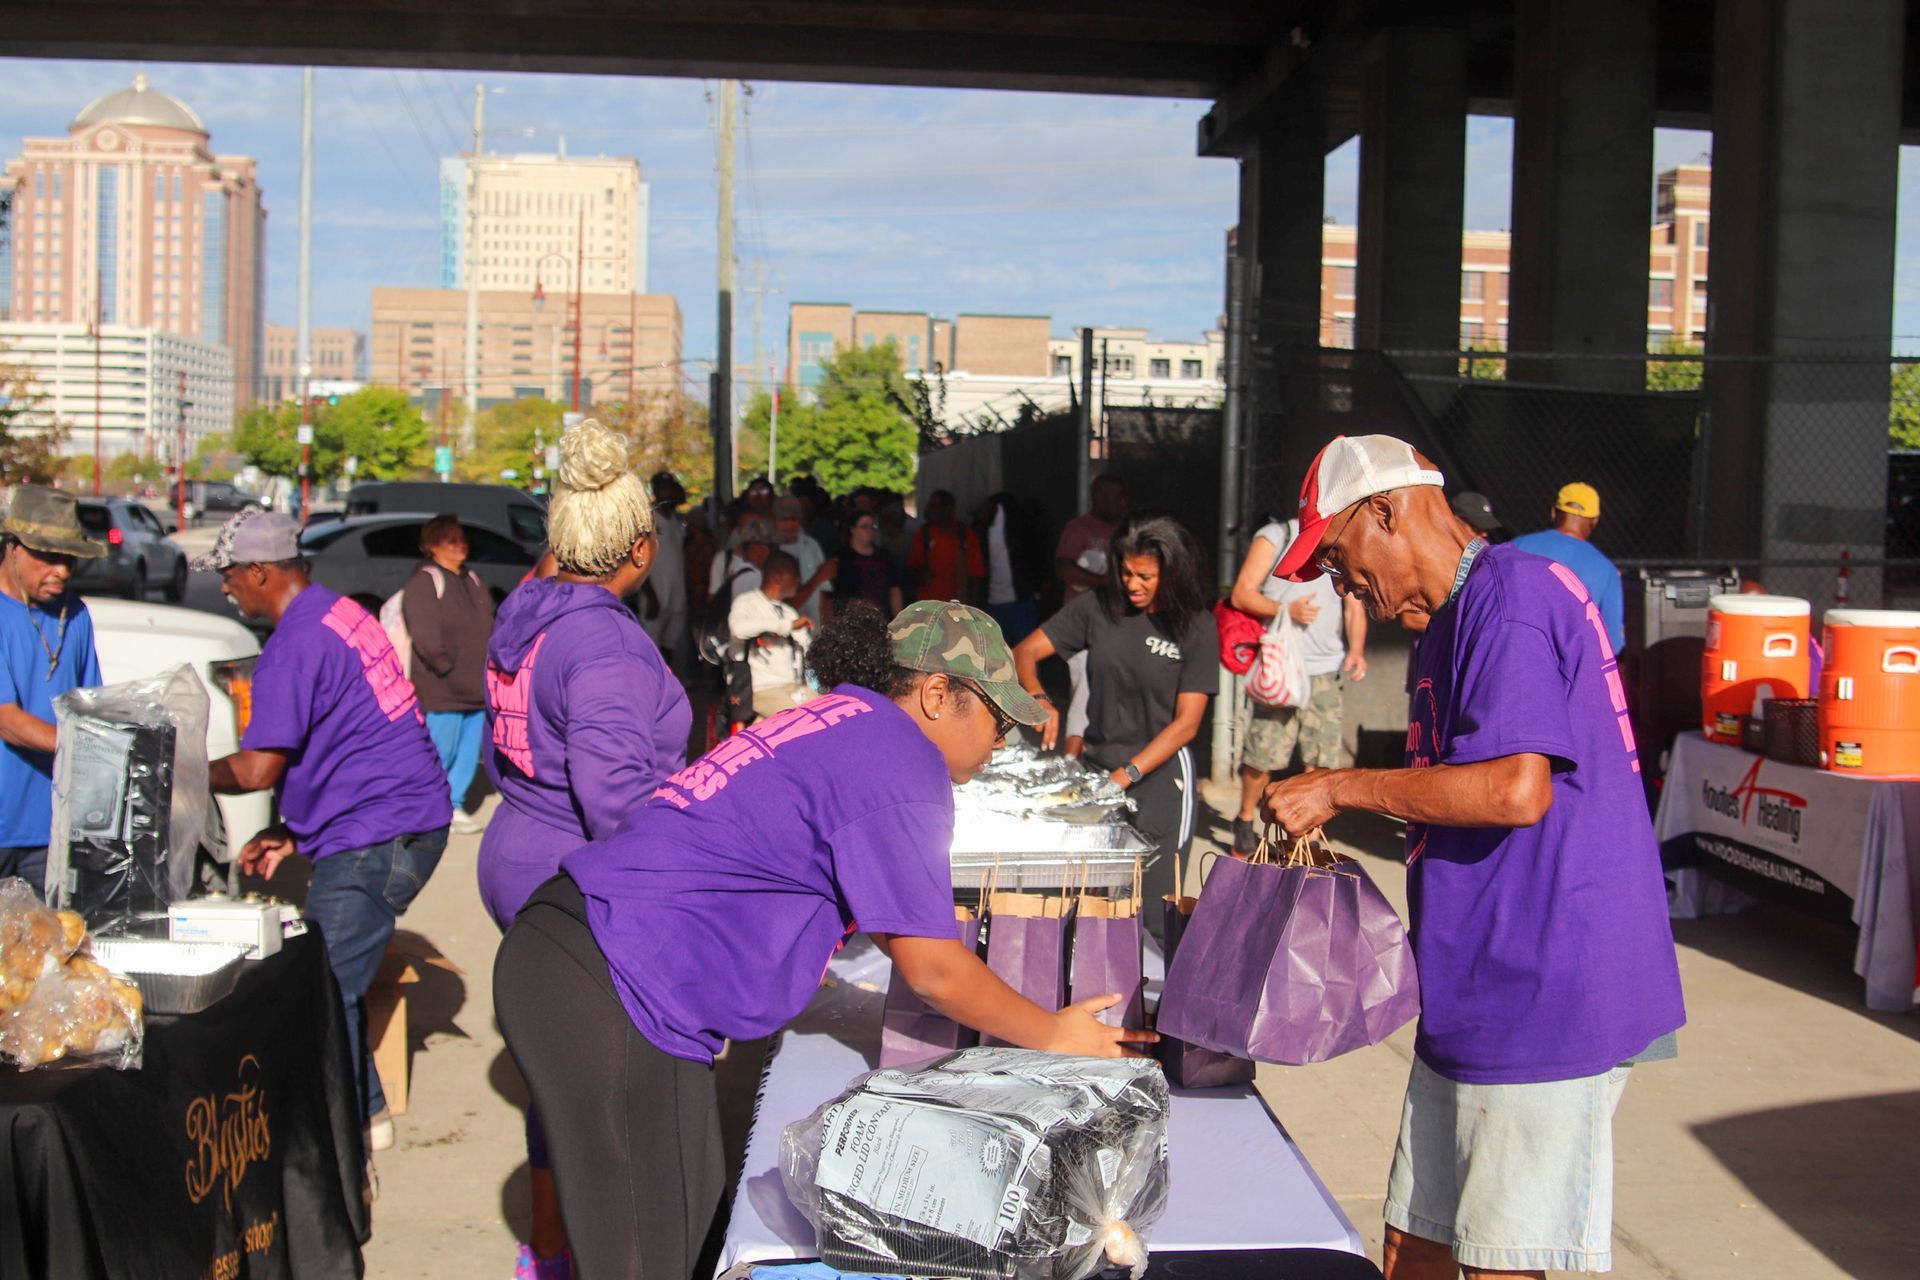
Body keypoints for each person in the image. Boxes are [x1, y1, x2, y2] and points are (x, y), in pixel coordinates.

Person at [494, 600, 1151, 1280]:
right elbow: (931, 967)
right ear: (936, 694)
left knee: (698, 1234)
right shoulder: (900, 755)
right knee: (649, 1259)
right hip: (605, 979)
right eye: (997, 716)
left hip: (590, 955)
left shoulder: (842, 718)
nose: (1001, 741)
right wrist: (1050, 1032)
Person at [1258, 434, 1685, 1280]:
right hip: (1476, 982)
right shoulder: (1451, 620)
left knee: (1501, 1259)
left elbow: (1514, 791)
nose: (1349, 591)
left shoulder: (1513, 597)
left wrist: (1343, 787)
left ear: (1384, 510)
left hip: (1543, 986)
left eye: (1341, 562)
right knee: (1415, 1244)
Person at [480, 419, 689, 1280]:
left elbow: (510, 749)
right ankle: (589, 1258)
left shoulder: (528, 606)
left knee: (558, 1081)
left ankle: (551, 1251)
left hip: (522, 850)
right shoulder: (601, 639)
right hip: (579, 876)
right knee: (603, 1096)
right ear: (638, 548)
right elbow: (616, 801)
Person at [202, 508, 450, 1155]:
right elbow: (347, 732)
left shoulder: (293, 644)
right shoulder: (339, 614)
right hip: (399, 816)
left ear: (260, 571)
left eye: (230, 576)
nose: (226, 588)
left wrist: (180, 776)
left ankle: (356, 1126)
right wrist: (294, 827)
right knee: (324, 979)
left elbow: (257, 768)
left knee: (319, 989)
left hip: (381, 832)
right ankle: (358, 1114)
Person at [1013, 513, 1217, 920]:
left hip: (1158, 778)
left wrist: (1126, 775)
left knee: (1154, 911)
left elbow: (1187, 723)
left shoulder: (1196, 626)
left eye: (1145, 576)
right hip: (1097, 769)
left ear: (1172, 573)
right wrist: (1038, 694)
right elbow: (1025, 651)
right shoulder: (1098, 608)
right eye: (1125, 573)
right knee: (1087, 903)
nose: (1132, 585)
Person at [1226, 515, 1368, 855]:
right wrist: (1285, 610)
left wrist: (1357, 650)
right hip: (1281, 667)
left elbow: (1353, 604)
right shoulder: (1277, 535)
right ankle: (1246, 818)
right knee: (1263, 754)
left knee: (1320, 756)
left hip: (1325, 669)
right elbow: (1242, 594)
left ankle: (1310, 830)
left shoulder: (1341, 537)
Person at [0, 487, 105, 893]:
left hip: (54, 830)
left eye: (69, 559)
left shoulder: (75, 615)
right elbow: (7, 721)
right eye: (48, 557)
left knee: (51, 950)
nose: (61, 571)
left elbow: (91, 707)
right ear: (13, 548)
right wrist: (89, 745)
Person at [404, 514, 497, 835]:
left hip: (475, 687)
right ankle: (425, 808)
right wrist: (446, 667)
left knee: (469, 752)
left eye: (462, 538)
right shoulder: (426, 581)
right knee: (439, 751)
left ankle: (452, 805)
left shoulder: (471, 577)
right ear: (432, 546)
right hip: (442, 689)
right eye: (450, 540)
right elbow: (426, 636)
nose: (460, 545)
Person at [1054, 474, 1127, 757]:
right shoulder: (1079, 529)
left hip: (1118, 624)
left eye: (1123, 497)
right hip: (1084, 628)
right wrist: (1108, 583)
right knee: (1084, 697)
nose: (1121, 503)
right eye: (1114, 498)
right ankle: (1070, 763)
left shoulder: (1126, 530)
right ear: (1098, 498)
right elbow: (1065, 570)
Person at [1509, 482, 1624, 653]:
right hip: (1570, 669)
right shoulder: (1606, 570)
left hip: (1515, 656)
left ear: (1554, 512)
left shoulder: (1516, 547)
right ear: (1595, 520)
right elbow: (1612, 643)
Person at [728, 549, 814, 721]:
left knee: (825, 711)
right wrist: (786, 626)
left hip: (793, 687)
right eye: (795, 575)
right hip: (760, 689)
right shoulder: (747, 603)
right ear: (778, 577)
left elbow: (806, 649)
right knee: (799, 719)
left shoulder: (789, 611)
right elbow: (738, 629)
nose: (799, 581)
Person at [975, 491, 1044, 647]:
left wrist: (1038, 586)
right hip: (992, 604)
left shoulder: (1018, 522)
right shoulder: (980, 529)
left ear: (990, 506)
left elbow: (1036, 553)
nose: (980, 516)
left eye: (982, 511)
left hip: (1020, 602)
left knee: (1024, 651)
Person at [639, 471, 690, 671]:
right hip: (656, 591)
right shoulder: (649, 518)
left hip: (676, 592)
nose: (672, 492)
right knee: (652, 643)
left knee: (670, 642)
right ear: (657, 491)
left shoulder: (675, 520)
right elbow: (640, 557)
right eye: (666, 488)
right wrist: (649, 594)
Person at [906, 489, 985, 604]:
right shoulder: (923, 534)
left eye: (933, 506)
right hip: (928, 605)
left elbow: (975, 577)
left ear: (948, 509)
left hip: (957, 607)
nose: (928, 510)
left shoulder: (966, 535)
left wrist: (974, 609)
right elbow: (911, 568)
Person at [773, 494, 835, 627]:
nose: (789, 525)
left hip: (814, 627)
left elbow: (825, 593)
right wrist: (818, 577)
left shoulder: (811, 545)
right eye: (784, 520)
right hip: (782, 627)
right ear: (774, 520)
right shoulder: (769, 549)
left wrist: (828, 629)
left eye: (793, 519)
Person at [830, 510, 904, 618]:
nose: (870, 530)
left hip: (881, 617)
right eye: (864, 526)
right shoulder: (842, 557)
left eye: (872, 526)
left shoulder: (884, 556)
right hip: (852, 619)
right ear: (852, 529)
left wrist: (899, 621)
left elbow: (894, 590)